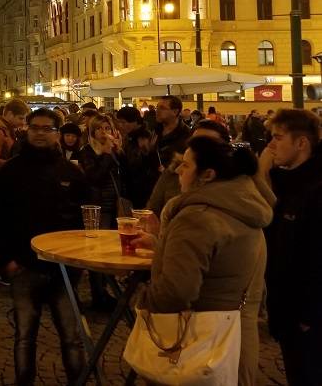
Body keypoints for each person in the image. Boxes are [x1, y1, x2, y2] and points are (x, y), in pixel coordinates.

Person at [135, 137, 272, 386]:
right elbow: (218, 261)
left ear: (207, 174)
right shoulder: (244, 207)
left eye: (186, 165)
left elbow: (177, 291)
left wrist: (144, 300)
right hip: (229, 329)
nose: (178, 170)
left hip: (194, 335)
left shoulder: (196, 217)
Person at [0, 108, 88, 384]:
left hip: (63, 268)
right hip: (23, 266)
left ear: (57, 134)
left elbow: (82, 219)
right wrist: (3, 261)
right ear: (27, 130)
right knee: (24, 336)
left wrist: (78, 262)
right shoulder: (12, 170)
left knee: (72, 336)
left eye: (47, 129)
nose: (40, 133)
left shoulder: (71, 172)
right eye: (35, 128)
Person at [262, 109, 322, 385]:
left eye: (278, 137)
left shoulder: (315, 190)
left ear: (302, 143)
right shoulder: (286, 184)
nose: (271, 145)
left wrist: (308, 315)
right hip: (287, 312)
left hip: (308, 318)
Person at [73, 114, 125, 311]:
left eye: (107, 128)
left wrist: (119, 153)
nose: (104, 133)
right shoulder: (86, 152)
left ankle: (106, 290)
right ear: (92, 132)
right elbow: (94, 177)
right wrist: (105, 155)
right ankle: (99, 294)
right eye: (99, 129)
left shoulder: (114, 150)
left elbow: (126, 173)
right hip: (98, 206)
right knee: (98, 252)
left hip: (115, 205)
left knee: (110, 250)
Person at [114, 106, 157, 209]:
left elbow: (135, 165)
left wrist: (119, 152)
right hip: (132, 190)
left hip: (141, 192)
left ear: (135, 122)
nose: (120, 125)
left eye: (124, 122)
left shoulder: (143, 138)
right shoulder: (129, 136)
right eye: (119, 122)